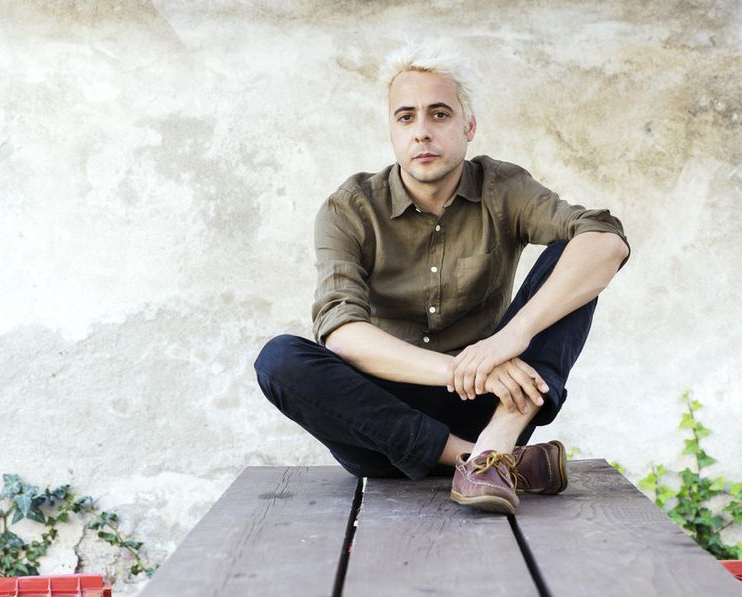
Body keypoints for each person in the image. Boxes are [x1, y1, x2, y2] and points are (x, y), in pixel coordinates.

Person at [254, 44, 629, 514]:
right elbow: (341, 332)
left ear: (468, 127)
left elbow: (607, 242)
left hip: (491, 407)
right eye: (406, 117)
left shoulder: (503, 188)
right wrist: (466, 368)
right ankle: (485, 461)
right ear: (392, 130)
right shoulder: (349, 208)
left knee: (575, 256)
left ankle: (498, 443)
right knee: (279, 360)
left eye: (439, 114)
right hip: (380, 425)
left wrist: (510, 338)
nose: (422, 132)